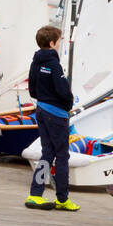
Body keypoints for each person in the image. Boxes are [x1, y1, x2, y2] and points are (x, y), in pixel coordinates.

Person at [25, 25, 77, 211]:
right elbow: (63, 91)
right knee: (62, 156)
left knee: (47, 153)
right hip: (57, 114)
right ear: (52, 43)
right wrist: (69, 102)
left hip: (41, 110)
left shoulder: (35, 62)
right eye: (60, 40)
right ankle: (62, 199)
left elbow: (31, 88)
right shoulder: (54, 64)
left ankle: (35, 194)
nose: (60, 43)